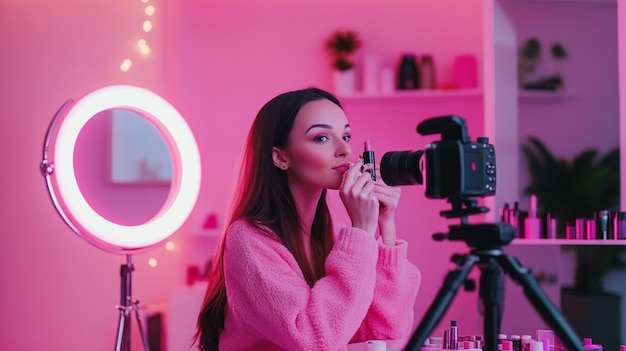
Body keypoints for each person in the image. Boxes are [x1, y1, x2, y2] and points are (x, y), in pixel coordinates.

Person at [195, 87, 421, 351]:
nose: (344, 150)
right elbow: (314, 341)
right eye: (322, 137)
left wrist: (386, 228)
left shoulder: (336, 239)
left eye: (346, 135)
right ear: (281, 157)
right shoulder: (248, 239)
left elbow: (384, 333)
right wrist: (360, 231)